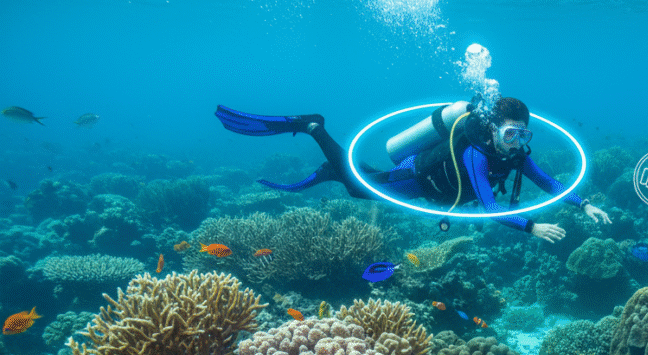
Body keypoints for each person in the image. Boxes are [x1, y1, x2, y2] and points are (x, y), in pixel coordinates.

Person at [215, 97, 611, 243]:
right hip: (414, 178)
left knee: (361, 179)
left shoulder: (514, 154)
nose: (517, 142)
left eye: (523, 134)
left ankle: (328, 168)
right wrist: (532, 227)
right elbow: (491, 207)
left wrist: (584, 204)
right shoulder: (475, 154)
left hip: (428, 189)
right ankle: (313, 127)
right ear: (493, 128)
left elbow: (548, 182)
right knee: (359, 187)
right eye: (510, 133)